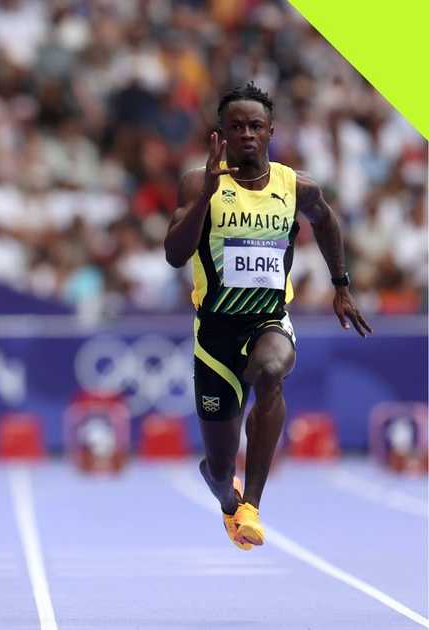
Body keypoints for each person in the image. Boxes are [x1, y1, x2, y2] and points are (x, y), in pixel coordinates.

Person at [165, 83, 371, 550]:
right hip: (214, 335)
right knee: (218, 468)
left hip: (269, 320)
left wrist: (341, 285)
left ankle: (252, 505)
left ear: (271, 131)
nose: (247, 135)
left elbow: (327, 221)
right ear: (220, 134)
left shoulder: (295, 186)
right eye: (236, 127)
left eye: (256, 126)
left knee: (271, 371)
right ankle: (227, 498)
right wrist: (206, 197)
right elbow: (175, 255)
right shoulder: (198, 184)